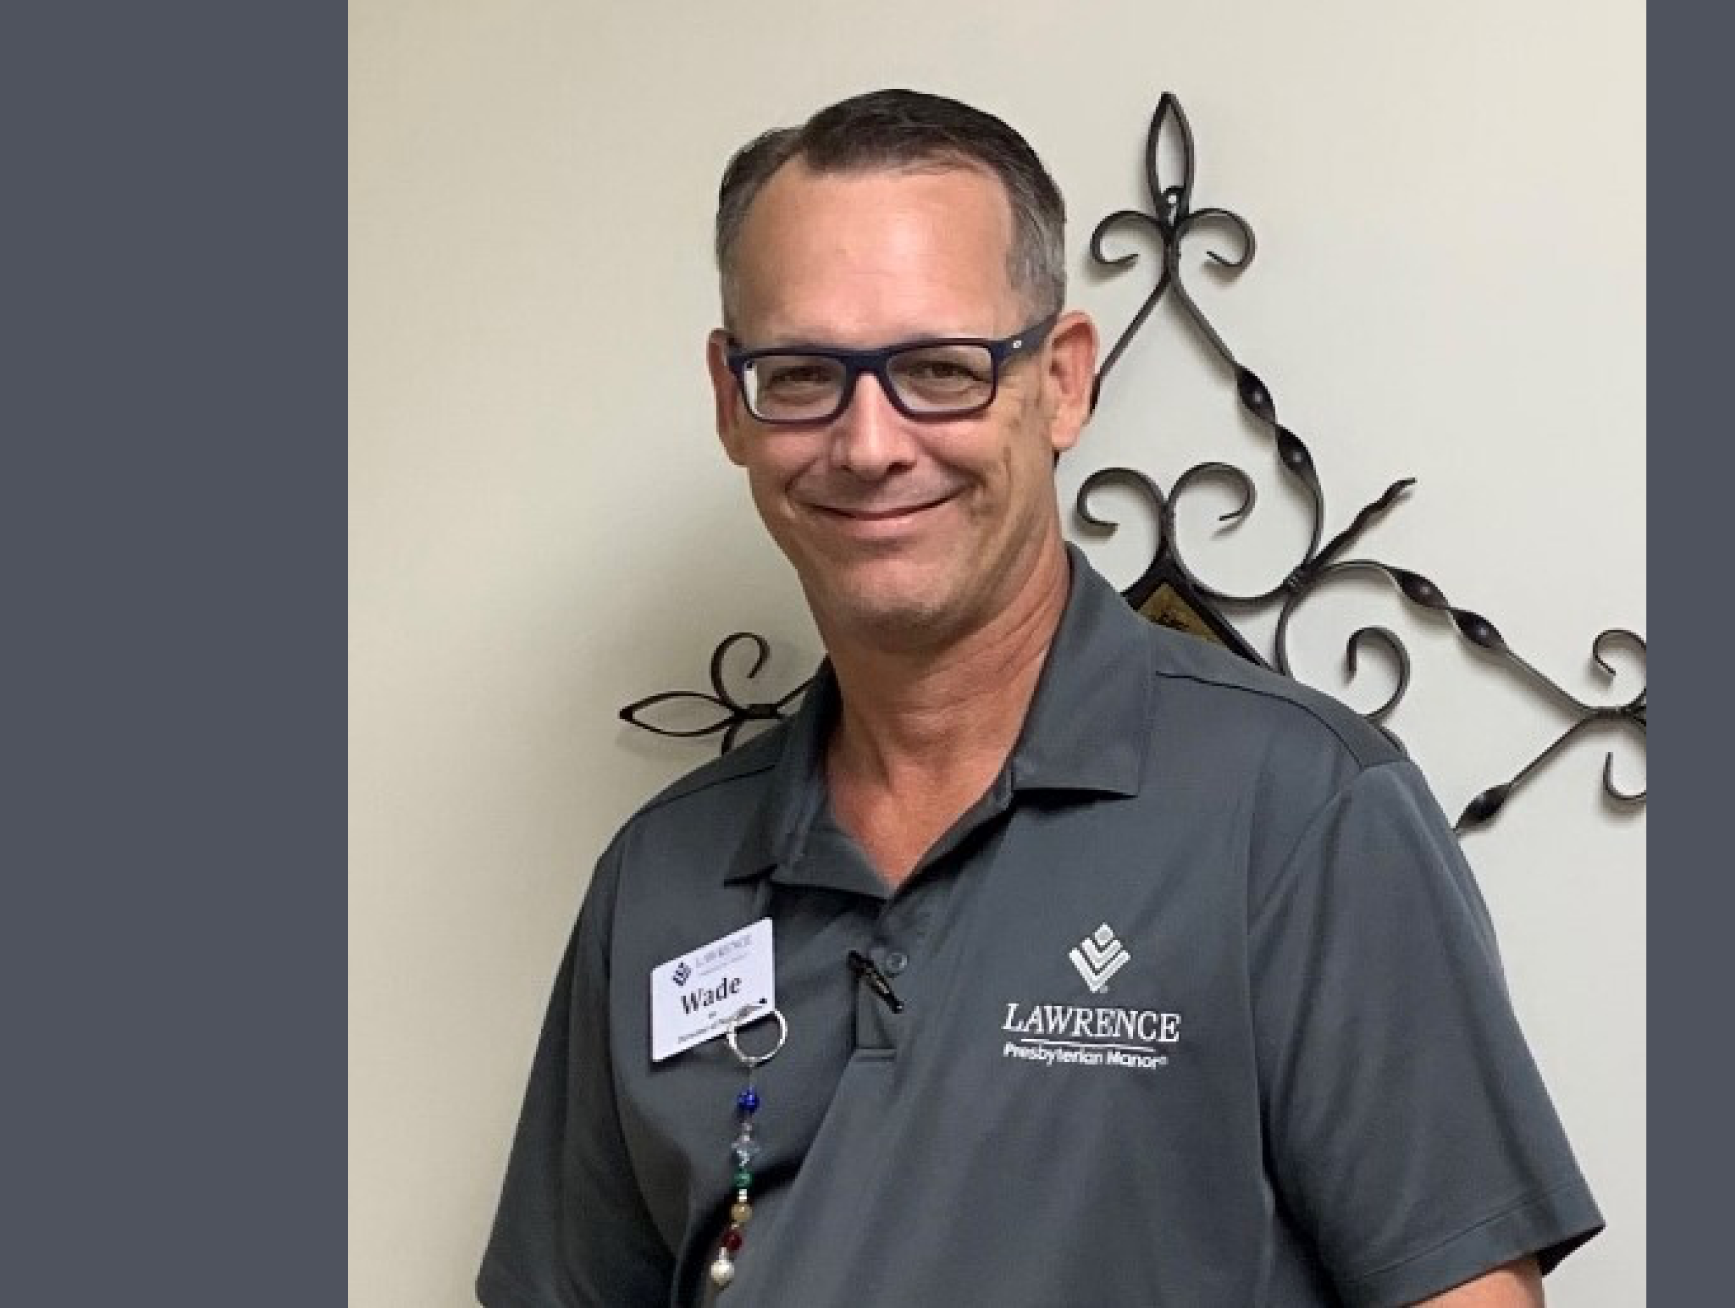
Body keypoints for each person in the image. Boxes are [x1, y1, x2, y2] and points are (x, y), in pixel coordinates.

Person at [478, 88, 1603, 1308]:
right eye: (801, 373)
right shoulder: (659, 876)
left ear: (1061, 380)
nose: (867, 443)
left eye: (937, 370)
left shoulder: (1297, 811)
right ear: (728, 398)